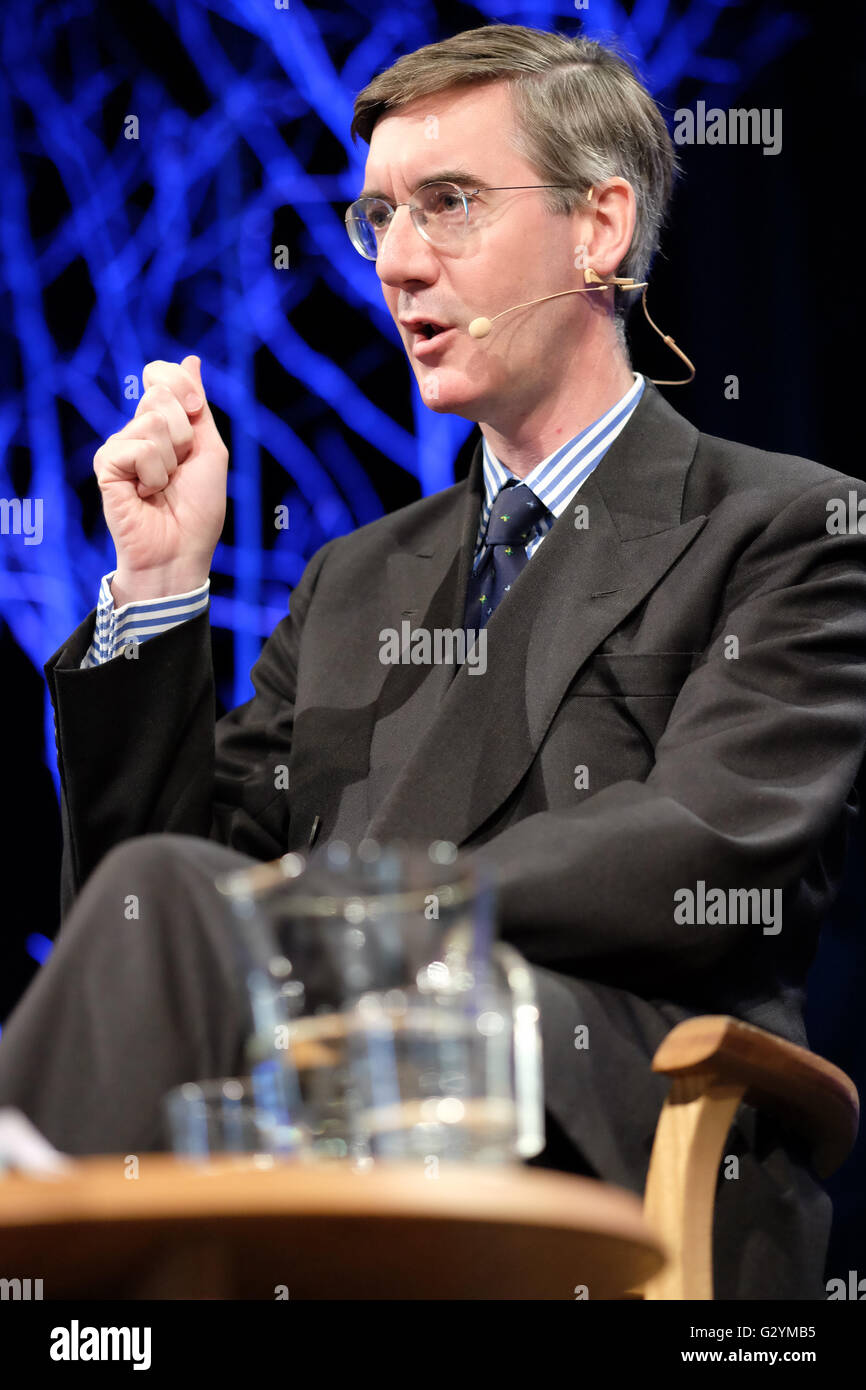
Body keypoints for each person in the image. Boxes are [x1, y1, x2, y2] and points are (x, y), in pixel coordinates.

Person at [1, 25, 864, 1299]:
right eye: (377, 218)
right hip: (310, 1104)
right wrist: (161, 591)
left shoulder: (782, 525)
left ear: (598, 228)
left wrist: (359, 920)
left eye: (448, 205)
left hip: (592, 1100)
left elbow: (698, 846)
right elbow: (145, 903)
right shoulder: (356, 579)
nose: (398, 262)